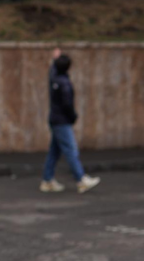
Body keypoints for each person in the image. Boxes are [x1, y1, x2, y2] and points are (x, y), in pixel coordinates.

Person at [40, 50, 100, 195]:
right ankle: (81, 179)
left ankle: (47, 180)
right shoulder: (65, 83)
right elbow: (68, 105)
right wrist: (73, 117)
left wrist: (54, 60)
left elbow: (52, 72)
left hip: (55, 119)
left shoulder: (54, 79)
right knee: (71, 149)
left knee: (55, 151)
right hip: (62, 121)